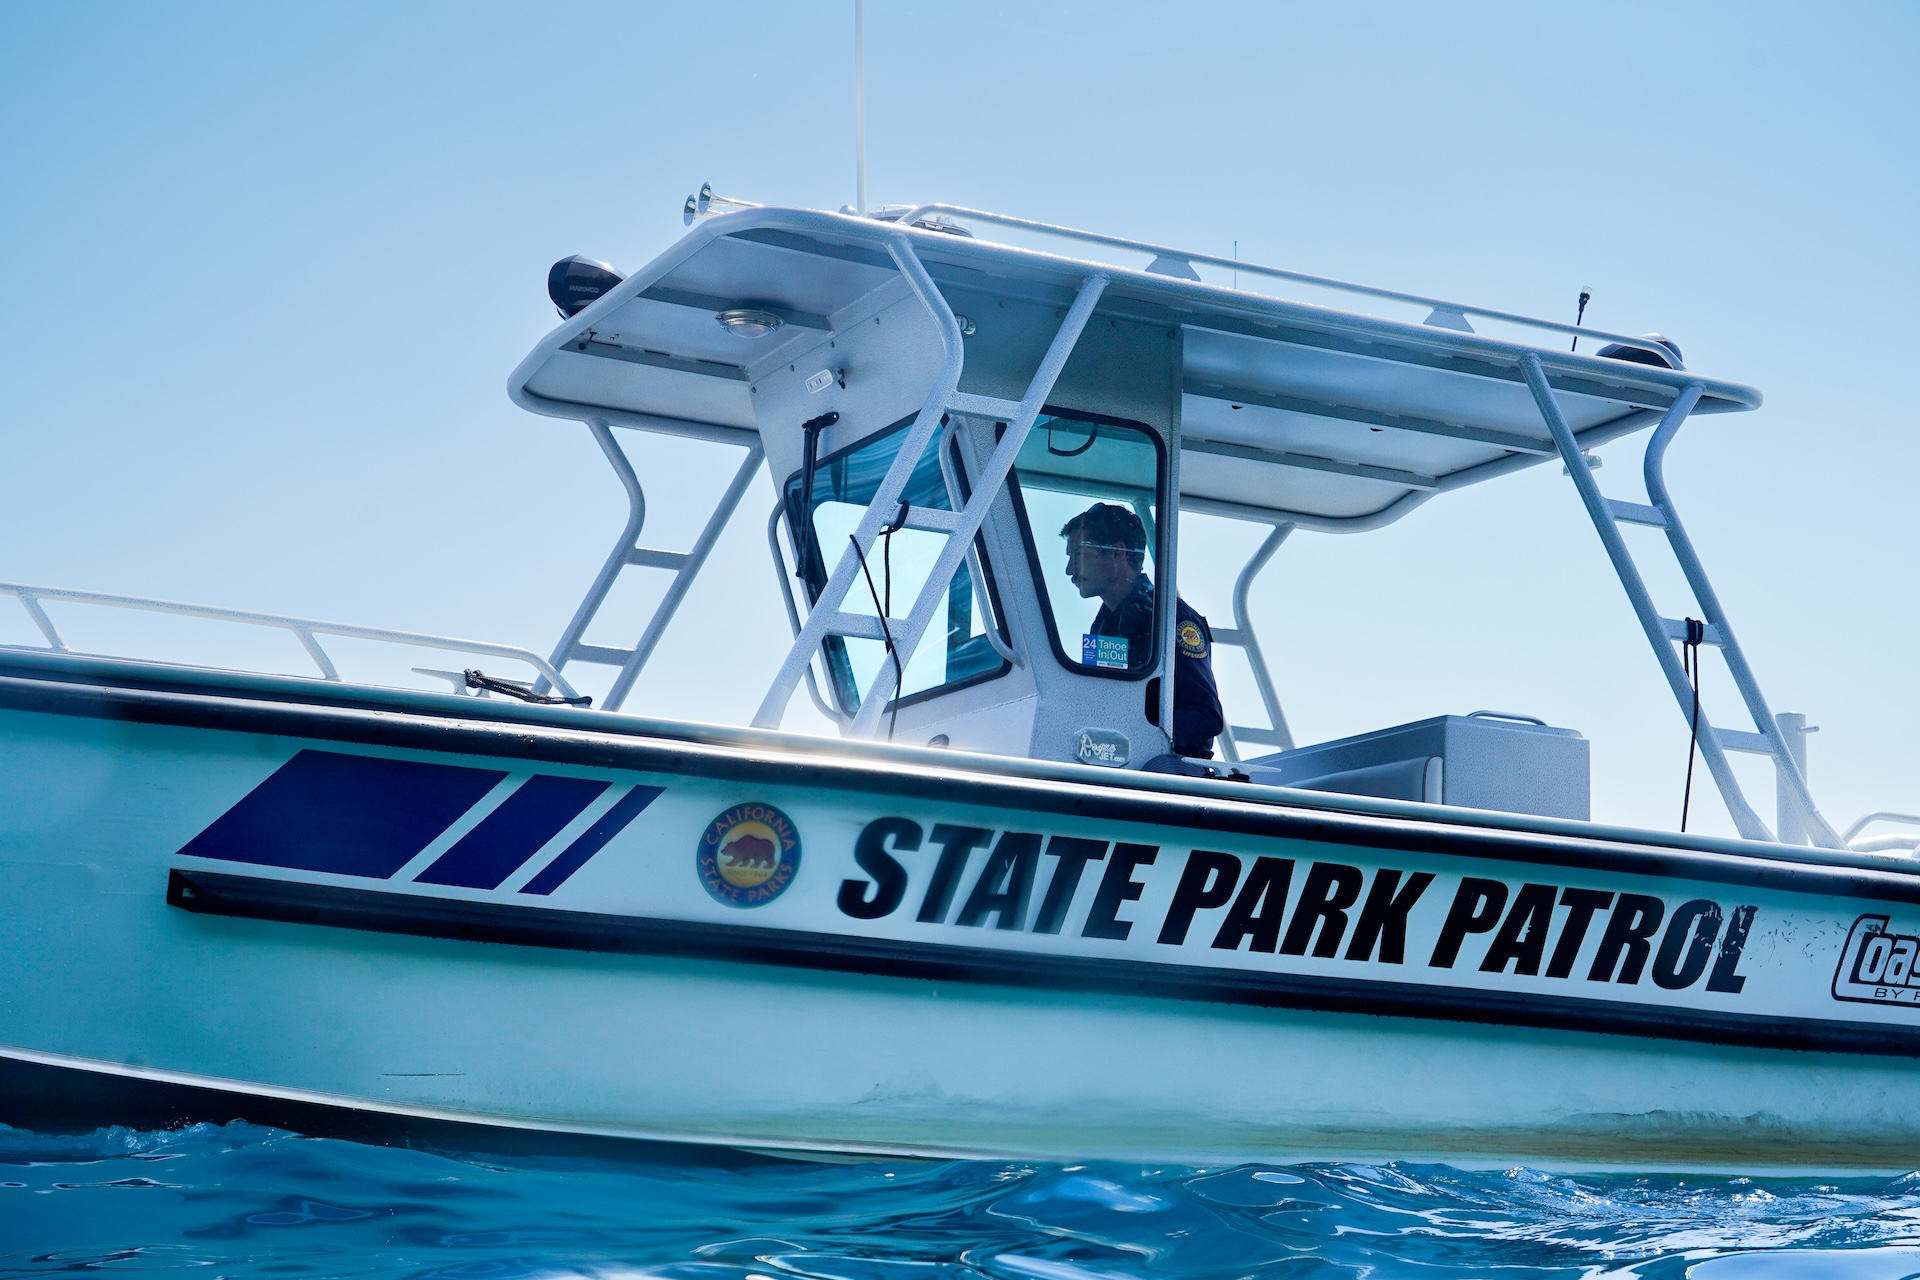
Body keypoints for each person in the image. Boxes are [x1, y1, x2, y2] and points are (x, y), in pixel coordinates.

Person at [1060, 503, 1226, 758]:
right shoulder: (1103, 626)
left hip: (1164, 776)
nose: (1070, 570)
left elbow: (1205, 714)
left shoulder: (1173, 619)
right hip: (1117, 770)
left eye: (1079, 555)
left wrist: (1137, 746)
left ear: (1117, 553)